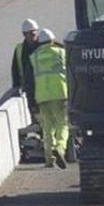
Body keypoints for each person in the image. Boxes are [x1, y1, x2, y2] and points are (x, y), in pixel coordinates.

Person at [31, 29, 69, 169]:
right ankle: (60, 148)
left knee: (47, 128)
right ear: (52, 40)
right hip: (60, 93)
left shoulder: (34, 57)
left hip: (42, 96)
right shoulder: (61, 53)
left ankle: (49, 159)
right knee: (63, 125)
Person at [10, 19, 41, 122]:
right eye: (30, 34)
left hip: (43, 85)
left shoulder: (43, 46)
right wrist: (16, 86)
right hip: (29, 87)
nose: (33, 36)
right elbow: (15, 69)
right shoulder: (20, 49)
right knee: (34, 112)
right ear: (24, 34)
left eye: (34, 33)